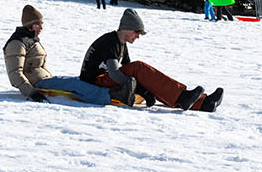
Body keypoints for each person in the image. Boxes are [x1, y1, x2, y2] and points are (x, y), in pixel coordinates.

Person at [78, 9, 222, 112]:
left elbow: (127, 68)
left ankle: (203, 103)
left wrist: (145, 86)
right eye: (136, 32)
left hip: (105, 78)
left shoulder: (121, 42)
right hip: (94, 81)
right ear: (126, 28)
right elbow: (116, 73)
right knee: (139, 67)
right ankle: (182, 96)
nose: (137, 37)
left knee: (145, 76)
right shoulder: (111, 42)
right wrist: (138, 87)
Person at [3, 5, 109, 105]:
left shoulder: (31, 40)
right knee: (74, 84)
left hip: (44, 80)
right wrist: (32, 93)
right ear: (30, 26)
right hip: (36, 84)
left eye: (41, 24)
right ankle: (110, 96)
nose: (41, 28)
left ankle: (111, 90)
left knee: (79, 80)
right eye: (38, 24)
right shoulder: (17, 43)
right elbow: (15, 73)